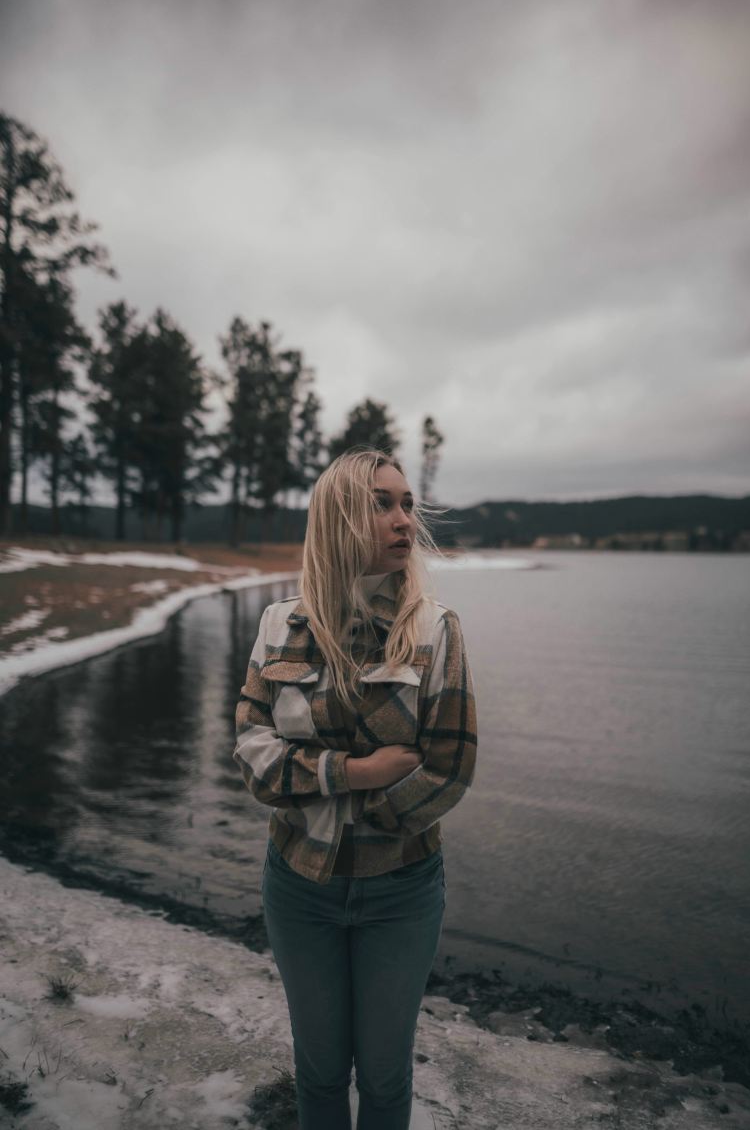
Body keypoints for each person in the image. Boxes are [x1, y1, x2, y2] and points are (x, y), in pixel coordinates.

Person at [233, 447, 477, 1130]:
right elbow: (252, 753)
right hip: (297, 886)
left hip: (400, 890)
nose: (405, 520)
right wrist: (354, 773)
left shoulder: (435, 630)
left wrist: (321, 786)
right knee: (317, 1071)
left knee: (384, 1077)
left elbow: (449, 767)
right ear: (339, 517)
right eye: (383, 504)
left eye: (407, 504)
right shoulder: (279, 625)